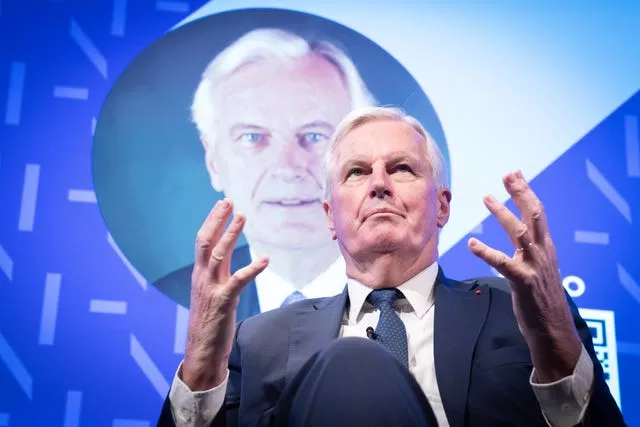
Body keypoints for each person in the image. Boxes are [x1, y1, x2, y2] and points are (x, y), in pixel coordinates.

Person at [158, 107, 626, 427]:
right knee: (352, 363)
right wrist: (199, 363)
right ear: (330, 217)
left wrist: (556, 343)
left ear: (441, 206)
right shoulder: (260, 340)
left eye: (402, 168)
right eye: (357, 172)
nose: (379, 184)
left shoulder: (520, 312)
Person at [154, 28, 377, 319]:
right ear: (213, 163)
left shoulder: (417, 301)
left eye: (314, 136)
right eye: (252, 138)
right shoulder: (169, 302)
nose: (287, 169)